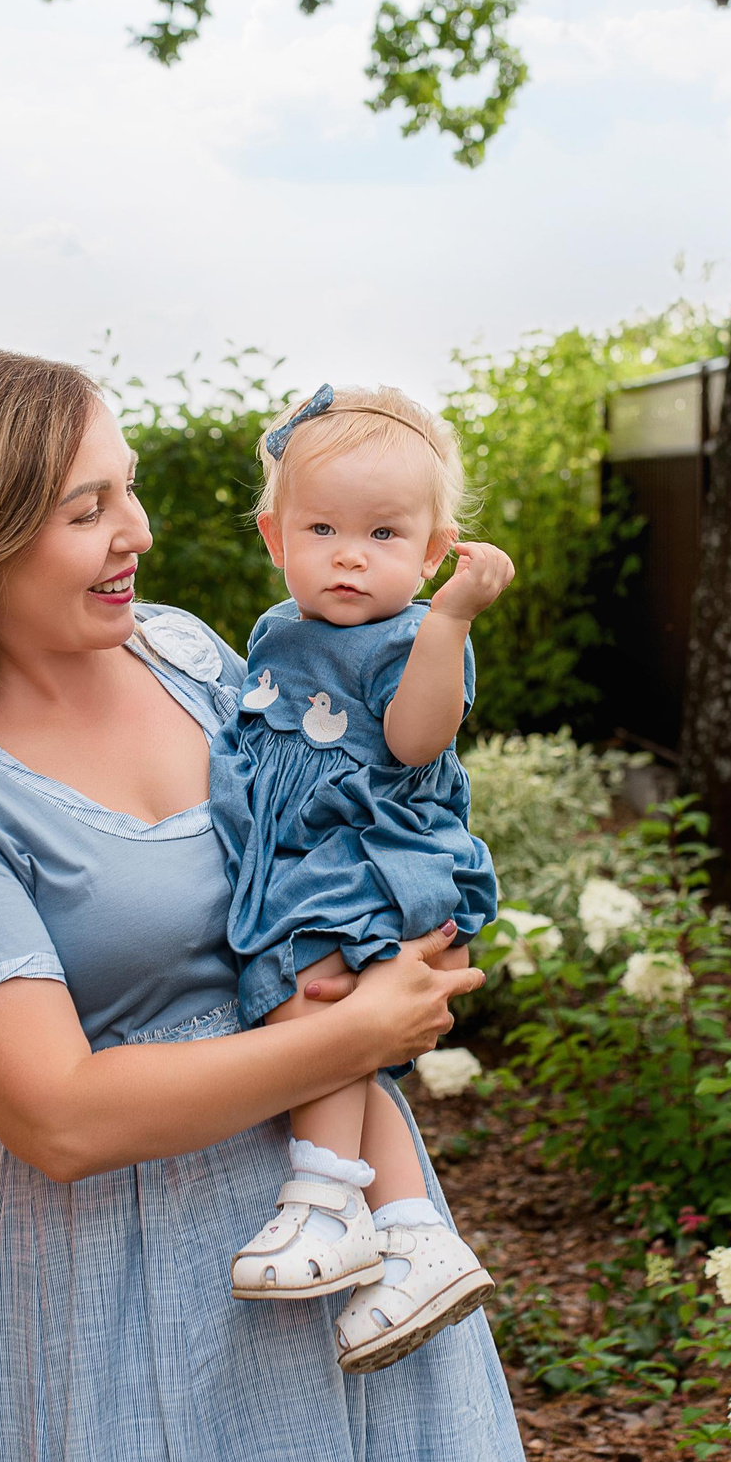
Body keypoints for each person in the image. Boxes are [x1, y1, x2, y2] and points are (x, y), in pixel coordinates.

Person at [0, 350, 555, 1462]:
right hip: (148, 1264)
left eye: (130, 489)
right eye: (85, 508)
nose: (135, 533)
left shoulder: (197, 658)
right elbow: (54, 1115)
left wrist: (415, 918)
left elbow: (370, 805)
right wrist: (356, 1030)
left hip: (363, 1229)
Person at [209, 383, 513, 1375]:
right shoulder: (271, 629)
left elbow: (416, 737)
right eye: (323, 527)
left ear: (432, 551)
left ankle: (327, 1195)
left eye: (384, 532)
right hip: (303, 860)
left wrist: (452, 619)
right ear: (273, 536)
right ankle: (412, 1230)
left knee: (318, 1000)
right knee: (302, 1005)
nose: (350, 552)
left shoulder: (413, 636)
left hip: (381, 848)